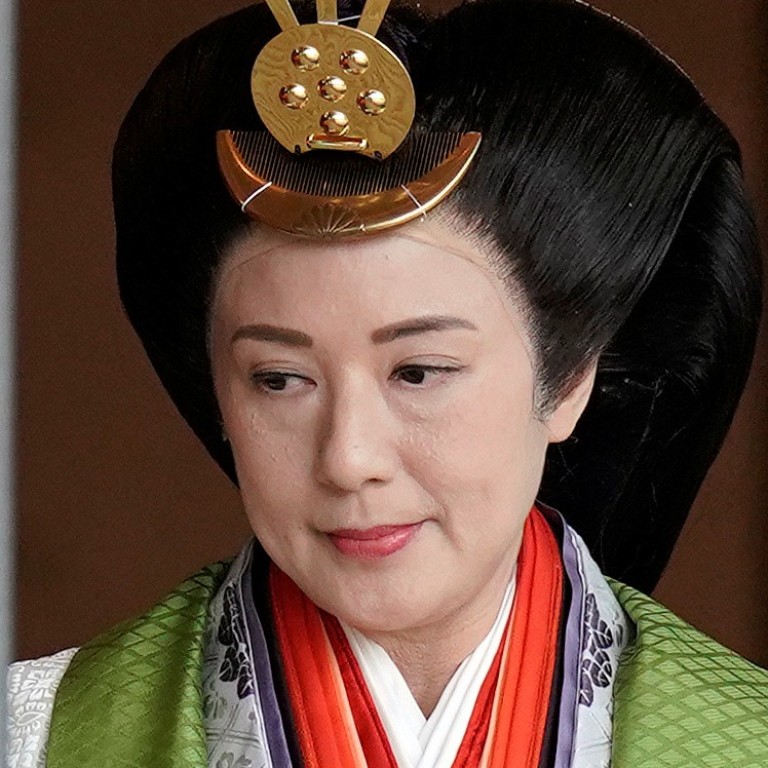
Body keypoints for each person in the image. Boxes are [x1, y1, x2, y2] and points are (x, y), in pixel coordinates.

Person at [6, 0, 768, 765]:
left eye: (417, 372)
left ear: (567, 380)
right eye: (278, 379)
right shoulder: (36, 735)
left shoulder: (741, 740)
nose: (348, 457)